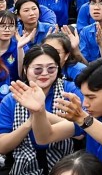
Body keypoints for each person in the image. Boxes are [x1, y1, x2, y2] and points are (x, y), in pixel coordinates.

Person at [11, 58, 102, 175]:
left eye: (91, 97)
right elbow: (45, 137)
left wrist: (83, 119)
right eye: (84, 96)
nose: (85, 103)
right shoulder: (92, 118)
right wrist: (39, 112)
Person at [0, 45, 81, 173]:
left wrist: (41, 112)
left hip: (66, 163)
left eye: (51, 69)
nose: (44, 73)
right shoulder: (12, 99)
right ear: (26, 69)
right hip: (22, 163)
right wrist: (30, 122)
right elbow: (2, 146)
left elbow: (81, 131)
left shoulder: (69, 91)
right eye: (38, 69)